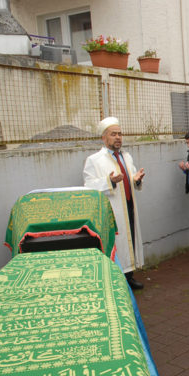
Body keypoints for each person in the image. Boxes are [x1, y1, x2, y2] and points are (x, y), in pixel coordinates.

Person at [84, 117, 146, 290]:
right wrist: (109, 181)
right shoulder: (94, 160)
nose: (118, 137)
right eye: (113, 134)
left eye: (120, 134)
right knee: (117, 244)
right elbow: (89, 186)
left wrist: (136, 180)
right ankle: (116, 279)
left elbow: (132, 178)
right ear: (104, 138)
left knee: (130, 241)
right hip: (112, 209)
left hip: (129, 206)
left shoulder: (126, 156)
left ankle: (129, 276)